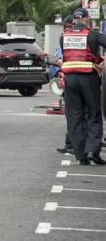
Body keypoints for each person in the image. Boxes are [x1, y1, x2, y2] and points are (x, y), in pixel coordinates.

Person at [60, 8, 106, 165]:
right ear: (87, 20)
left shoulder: (64, 36)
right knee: (93, 114)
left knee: (75, 116)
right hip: (88, 78)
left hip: (70, 79)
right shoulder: (92, 34)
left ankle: (81, 155)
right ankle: (93, 150)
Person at [52, 15, 73, 154]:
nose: (68, 31)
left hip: (83, 81)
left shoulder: (88, 38)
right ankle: (70, 144)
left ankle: (87, 145)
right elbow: (57, 63)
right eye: (66, 28)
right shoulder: (63, 40)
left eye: (70, 27)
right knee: (71, 114)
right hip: (69, 81)